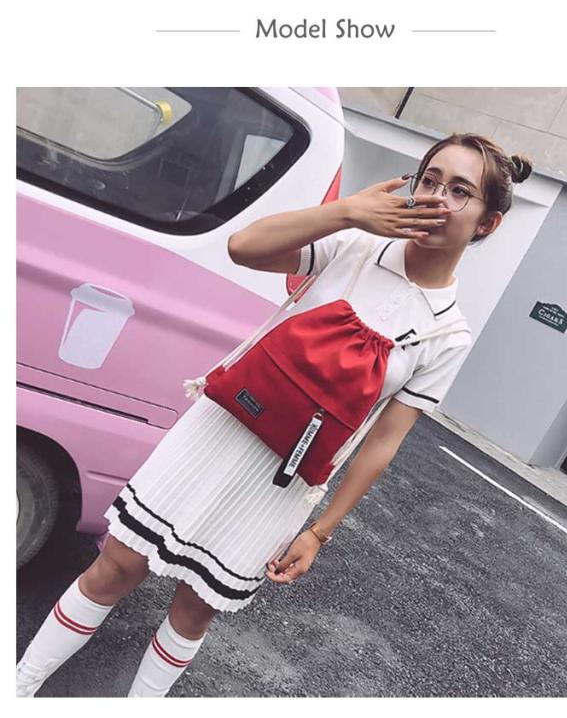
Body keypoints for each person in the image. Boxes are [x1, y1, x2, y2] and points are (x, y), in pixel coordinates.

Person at [16, 132, 532, 697]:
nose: (436, 197)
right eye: (429, 180)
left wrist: (319, 533)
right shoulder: (356, 243)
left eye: (459, 191)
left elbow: (384, 441)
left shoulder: (447, 335)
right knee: (116, 567)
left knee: (194, 610)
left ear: (487, 223)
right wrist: (345, 212)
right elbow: (244, 247)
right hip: (219, 431)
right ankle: (20, 688)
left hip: (281, 483)